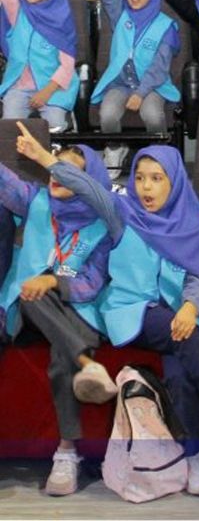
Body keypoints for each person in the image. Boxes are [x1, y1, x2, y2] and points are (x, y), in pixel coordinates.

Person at [16, 129, 199, 494]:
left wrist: (190, 306)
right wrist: (44, 158)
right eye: (140, 178)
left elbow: (198, 278)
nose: (146, 187)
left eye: (157, 179)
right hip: (131, 312)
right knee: (189, 337)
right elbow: (88, 188)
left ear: (174, 183)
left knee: (184, 366)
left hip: (177, 315)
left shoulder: (192, 220)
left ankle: (195, 457)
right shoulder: (123, 214)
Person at [0, 135, 115, 496]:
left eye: (67, 173)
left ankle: (66, 452)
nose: (56, 177)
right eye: (54, 169)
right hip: (26, 314)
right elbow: (5, 183)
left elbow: (92, 284)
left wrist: (52, 281)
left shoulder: (102, 224)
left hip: (77, 312)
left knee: (58, 343)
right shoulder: (37, 202)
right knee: (30, 294)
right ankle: (87, 362)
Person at [89, 0, 180, 179]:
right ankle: (115, 149)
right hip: (121, 83)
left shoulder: (165, 25)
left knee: (152, 114)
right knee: (107, 114)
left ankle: (158, 154)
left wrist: (140, 93)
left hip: (152, 86)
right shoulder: (122, 16)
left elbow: (160, 68)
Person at [0, 0, 78, 132]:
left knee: (54, 126)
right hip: (20, 86)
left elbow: (67, 66)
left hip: (53, 86)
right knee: (9, 129)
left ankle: (67, 125)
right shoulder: (19, 12)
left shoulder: (61, 19)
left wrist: (46, 92)